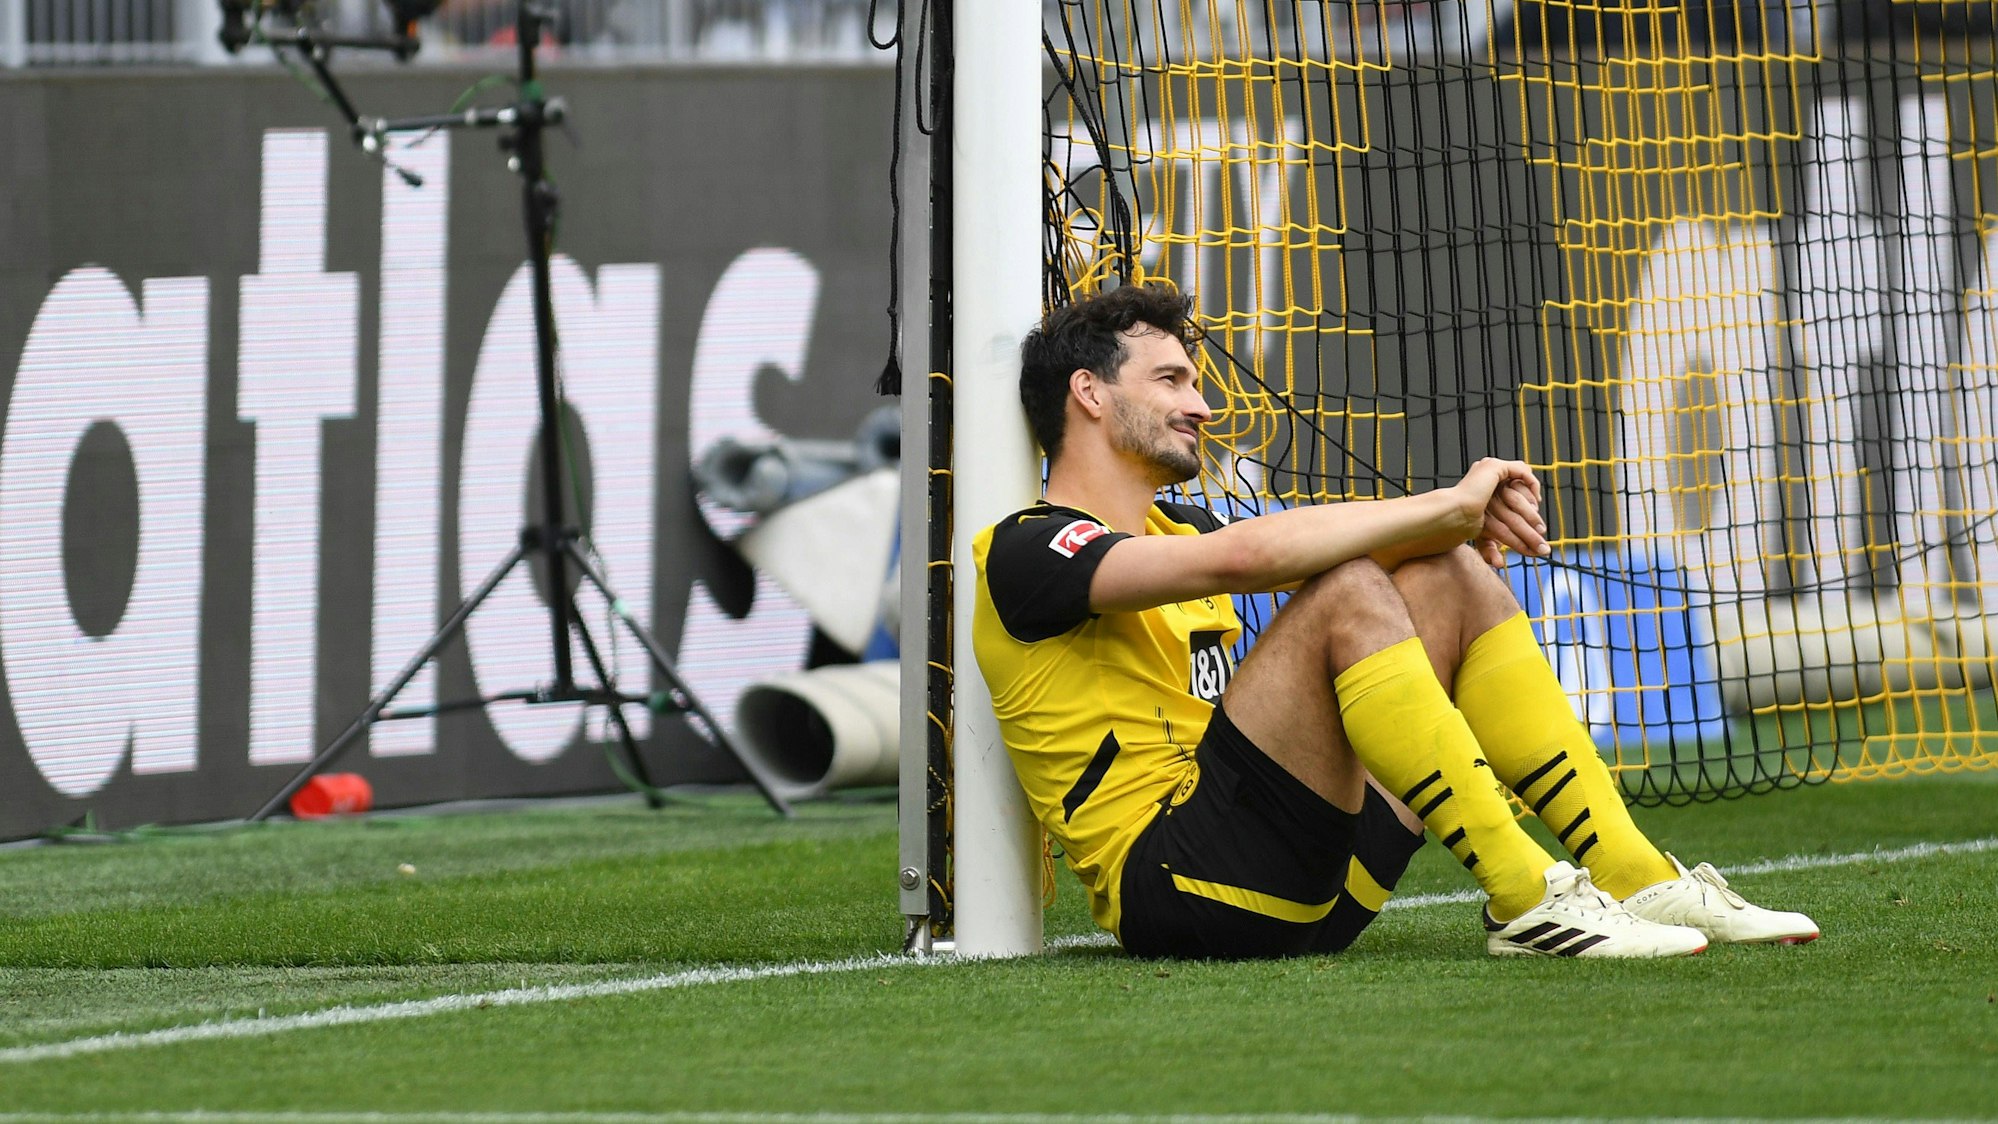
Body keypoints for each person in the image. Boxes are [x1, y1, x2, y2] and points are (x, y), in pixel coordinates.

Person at [970, 281, 1820, 959]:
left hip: (1308, 885)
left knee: (1448, 573)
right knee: (1349, 588)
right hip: (1183, 888)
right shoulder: (1026, 549)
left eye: (1194, 381)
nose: (1202, 404)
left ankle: (1636, 875)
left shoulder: (1181, 525)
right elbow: (1250, 556)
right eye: (1171, 381)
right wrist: (1446, 504)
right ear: (1089, 392)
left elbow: (1298, 546)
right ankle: (1528, 896)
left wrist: (1453, 526)